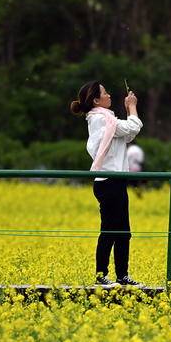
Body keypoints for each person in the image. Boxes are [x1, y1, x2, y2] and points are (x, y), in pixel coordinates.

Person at [70, 80, 144, 287]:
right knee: (110, 230)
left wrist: (129, 111)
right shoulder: (101, 120)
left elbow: (128, 134)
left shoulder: (106, 119)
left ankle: (122, 276)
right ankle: (101, 276)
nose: (109, 94)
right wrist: (132, 107)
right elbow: (133, 127)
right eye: (105, 93)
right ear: (96, 100)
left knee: (123, 232)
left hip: (115, 182)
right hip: (109, 182)